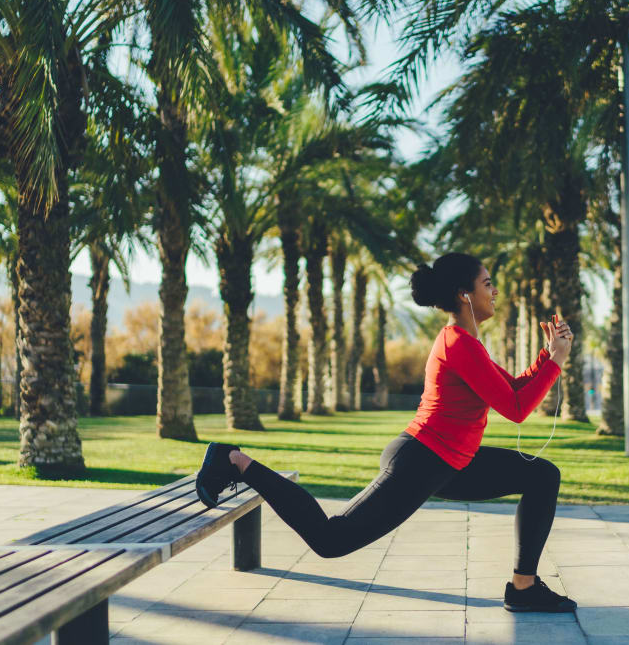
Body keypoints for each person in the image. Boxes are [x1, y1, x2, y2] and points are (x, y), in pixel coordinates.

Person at [194, 252, 577, 613]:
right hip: (422, 461)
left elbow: (512, 390)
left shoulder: (468, 343)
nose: (495, 291)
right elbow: (516, 409)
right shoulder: (458, 344)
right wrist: (556, 361)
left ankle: (523, 588)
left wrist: (548, 354)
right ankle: (235, 461)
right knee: (331, 540)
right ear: (465, 294)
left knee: (542, 475)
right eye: (487, 283)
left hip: (451, 462)